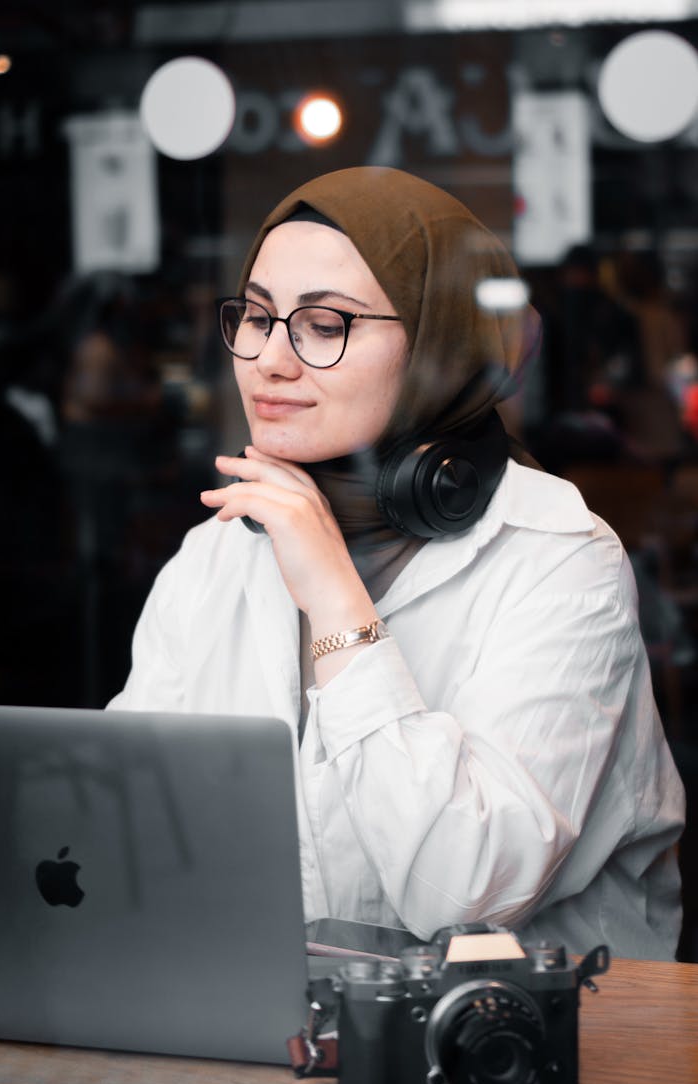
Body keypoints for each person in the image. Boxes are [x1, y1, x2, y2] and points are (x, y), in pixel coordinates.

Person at [108, 167, 685, 959]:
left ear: (437, 348)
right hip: (273, 1033)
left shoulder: (559, 557)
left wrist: (336, 601)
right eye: (259, 316)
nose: (270, 360)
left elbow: (466, 890)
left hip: (543, 1046)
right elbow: (126, 829)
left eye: (324, 323)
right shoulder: (213, 554)